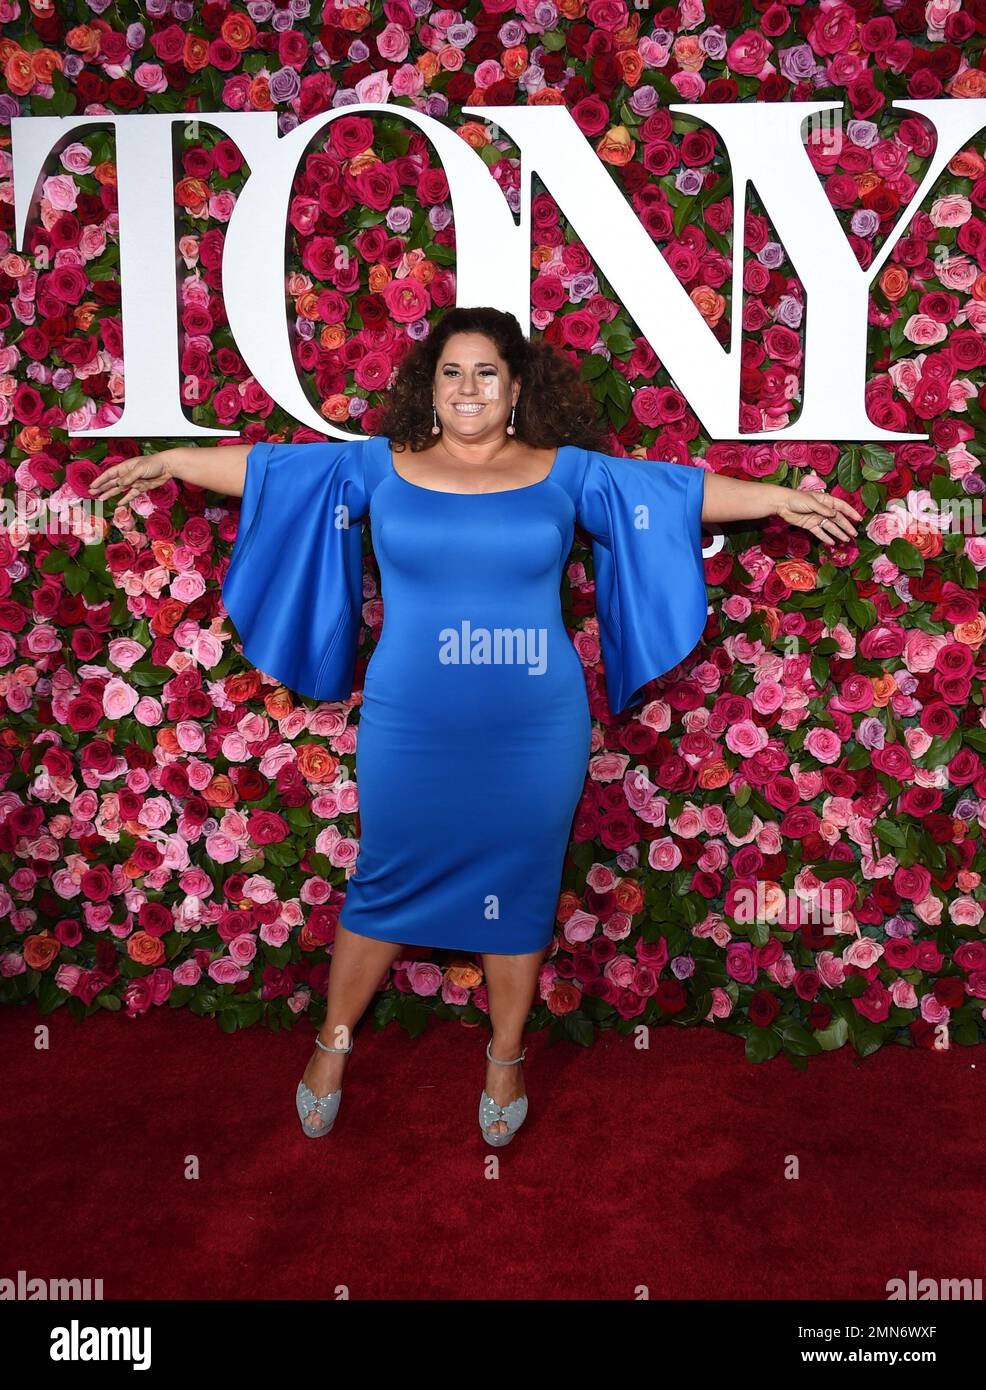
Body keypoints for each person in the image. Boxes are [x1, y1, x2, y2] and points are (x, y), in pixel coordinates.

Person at [89, 306, 861, 1146]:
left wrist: (781, 496)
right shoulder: (381, 468)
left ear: (516, 385)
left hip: (534, 723)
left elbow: (676, 494)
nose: (468, 388)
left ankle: (504, 1056)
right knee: (386, 874)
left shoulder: (566, 474)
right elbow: (271, 475)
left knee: (521, 880)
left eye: (486, 373)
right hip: (412, 718)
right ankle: (332, 1045)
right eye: (452, 372)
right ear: (430, 386)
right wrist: (169, 459)